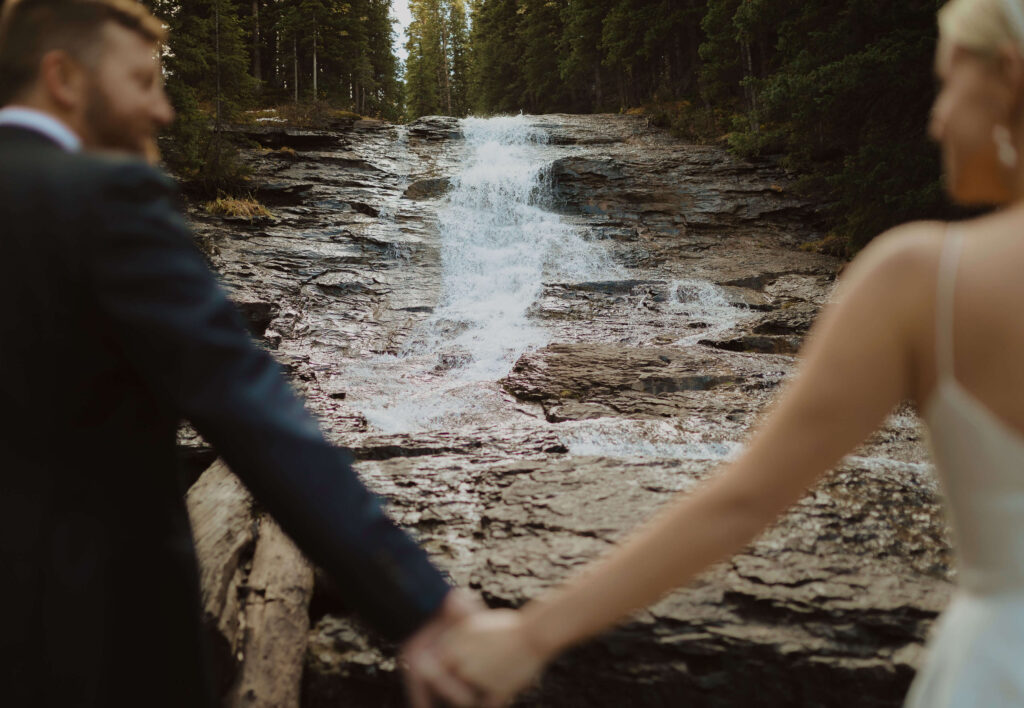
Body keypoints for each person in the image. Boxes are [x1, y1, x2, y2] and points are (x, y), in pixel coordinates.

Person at [427, 0, 1024, 705]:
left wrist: (529, 638)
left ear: (1009, 79)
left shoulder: (925, 279)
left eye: (948, 83)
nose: (936, 119)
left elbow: (745, 500)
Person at [0, 1, 480, 705]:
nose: (163, 111)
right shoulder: (104, 198)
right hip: (82, 640)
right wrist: (422, 604)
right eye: (142, 82)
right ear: (64, 78)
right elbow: (247, 405)